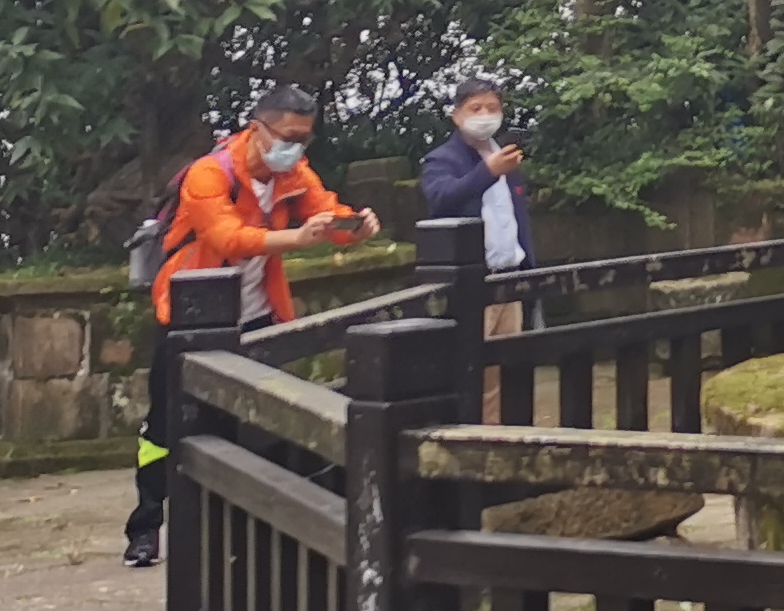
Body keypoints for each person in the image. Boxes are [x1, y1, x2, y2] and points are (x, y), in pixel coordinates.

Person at [121, 84, 379, 568]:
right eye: (287, 136)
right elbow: (228, 238)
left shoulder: (293, 172)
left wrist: (354, 226)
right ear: (257, 129)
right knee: (164, 428)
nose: (295, 147)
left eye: (304, 138)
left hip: (258, 316)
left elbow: (325, 210)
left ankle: (245, 532)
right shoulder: (209, 174)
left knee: (259, 420)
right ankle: (146, 526)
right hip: (191, 317)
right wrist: (297, 239)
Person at [420, 76, 533, 273]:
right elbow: (441, 199)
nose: (485, 115)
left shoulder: (507, 158)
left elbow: (519, 219)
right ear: (457, 116)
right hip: (472, 277)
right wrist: (487, 172)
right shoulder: (441, 160)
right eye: (476, 108)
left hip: (515, 273)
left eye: (492, 108)